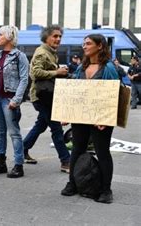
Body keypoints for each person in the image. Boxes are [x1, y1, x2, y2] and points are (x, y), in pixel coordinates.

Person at [61, 34, 119, 204]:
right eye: (84, 43)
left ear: (100, 46)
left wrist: (105, 119)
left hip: (101, 119)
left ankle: (106, 190)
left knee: (102, 152)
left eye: (88, 43)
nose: (84, 46)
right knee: (77, 149)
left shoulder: (108, 68)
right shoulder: (81, 68)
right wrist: (67, 114)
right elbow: (75, 93)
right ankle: (72, 183)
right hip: (81, 116)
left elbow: (113, 95)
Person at [22, 25, 71, 173]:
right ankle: (66, 161)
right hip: (41, 96)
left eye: (60, 36)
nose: (58, 39)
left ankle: (22, 149)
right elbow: (35, 73)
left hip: (47, 96)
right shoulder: (42, 52)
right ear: (46, 37)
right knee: (56, 128)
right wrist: (57, 72)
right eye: (55, 36)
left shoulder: (51, 53)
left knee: (40, 125)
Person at [0, 25, 29, 178]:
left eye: (1, 35)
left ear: (10, 37)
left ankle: (18, 164)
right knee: (0, 132)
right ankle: (1, 162)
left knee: (14, 133)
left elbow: (24, 79)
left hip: (9, 99)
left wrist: (16, 99)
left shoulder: (19, 56)